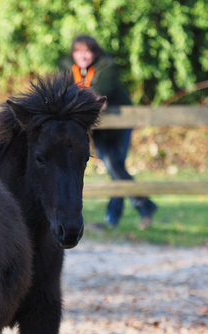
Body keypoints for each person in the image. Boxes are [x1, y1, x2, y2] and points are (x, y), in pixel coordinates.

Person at [61, 35, 157, 229]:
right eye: (78, 51)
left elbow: (100, 94)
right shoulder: (66, 68)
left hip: (120, 124)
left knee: (115, 167)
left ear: (95, 52)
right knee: (115, 167)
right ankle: (141, 207)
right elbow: (62, 92)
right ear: (73, 53)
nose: (83, 55)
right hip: (98, 127)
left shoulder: (107, 66)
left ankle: (115, 217)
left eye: (87, 51)